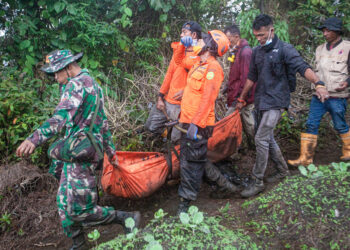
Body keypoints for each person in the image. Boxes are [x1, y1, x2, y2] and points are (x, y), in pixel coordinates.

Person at [16, 50, 141, 250]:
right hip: (76, 153)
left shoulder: (76, 85)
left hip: (82, 154)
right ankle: (78, 243)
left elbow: (61, 118)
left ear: (68, 67)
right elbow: (104, 124)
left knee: (80, 210)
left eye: (57, 73)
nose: (55, 78)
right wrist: (111, 153)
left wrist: (34, 139)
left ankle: (126, 218)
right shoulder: (94, 85)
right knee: (63, 203)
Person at [235, 14, 329, 198]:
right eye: (256, 36)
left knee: (260, 138)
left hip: (277, 101)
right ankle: (283, 171)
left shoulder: (285, 49)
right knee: (267, 137)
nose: (259, 39)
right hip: (261, 101)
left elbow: (303, 67)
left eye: (262, 35)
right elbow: (251, 77)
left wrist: (319, 83)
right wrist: (242, 98)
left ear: (272, 30)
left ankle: (258, 181)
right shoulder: (256, 51)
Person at [175, 30, 231, 213]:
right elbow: (178, 61)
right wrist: (183, 45)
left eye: (202, 39)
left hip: (198, 125)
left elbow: (208, 99)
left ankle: (186, 203)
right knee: (194, 159)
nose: (198, 40)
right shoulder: (198, 63)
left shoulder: (213, 68)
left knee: (190, 163)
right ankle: (225, 185)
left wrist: (195, 124)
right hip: (188, 121)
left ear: (210, 46)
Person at [288, 17, 350, 166]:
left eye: (328, 30)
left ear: (336, 31)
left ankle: (348, 150)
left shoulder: (348, 47)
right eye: (323, 30)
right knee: (311, 124)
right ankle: (305, 158)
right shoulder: (319, 49)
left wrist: (347, 83)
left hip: (337, 95)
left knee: (340, 124)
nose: (324, 33)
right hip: (319, 95)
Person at [145, 21, 201, 143]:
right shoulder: (179, 51)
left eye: (184, 32)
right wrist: (160, 96)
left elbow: (201, 83)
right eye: (181, 32)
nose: (181, 35)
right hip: (167, 100)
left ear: (194, 35)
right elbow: (169, 74)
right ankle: (161, 146)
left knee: (176, 139)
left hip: (182, 105)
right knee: (150, 128)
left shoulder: (200, 56)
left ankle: (172, 156)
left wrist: (186, 92)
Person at [224, 24, 256, 148]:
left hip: (241, 95)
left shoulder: (245, 52)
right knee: (247, 121)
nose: (227, 42)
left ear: (236, 37)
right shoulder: (236, 51)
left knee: (228, 122)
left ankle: (234, 150)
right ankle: (252, 145)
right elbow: (236, 74)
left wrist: (241, 99)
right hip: (238, 93)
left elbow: (247, 78)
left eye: (229, 39)